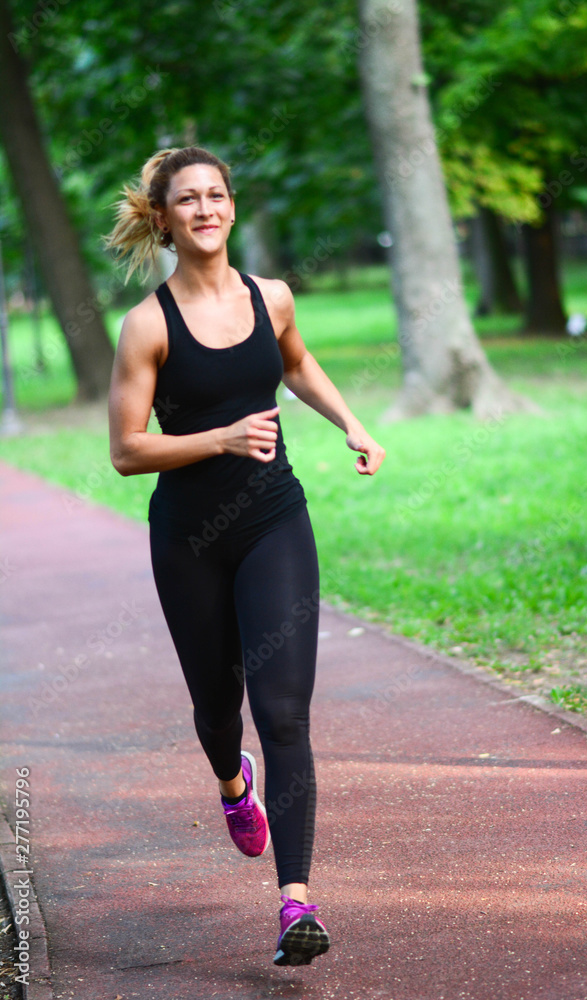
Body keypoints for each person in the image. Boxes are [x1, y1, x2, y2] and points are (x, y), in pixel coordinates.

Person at [105, 145, 385, 966]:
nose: (204, 209)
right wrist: (220, 437)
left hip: (272, 519)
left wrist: (350, 423)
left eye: (216, 195)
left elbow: (293, 362)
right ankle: (233, 784)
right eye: (186, 200)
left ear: (231, 207)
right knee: (217, 710)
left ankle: (295, 904)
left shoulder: (274, 298)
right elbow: (126, 449)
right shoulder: (148, 324)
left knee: (285, 710)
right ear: (162, 219)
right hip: (188, 540)